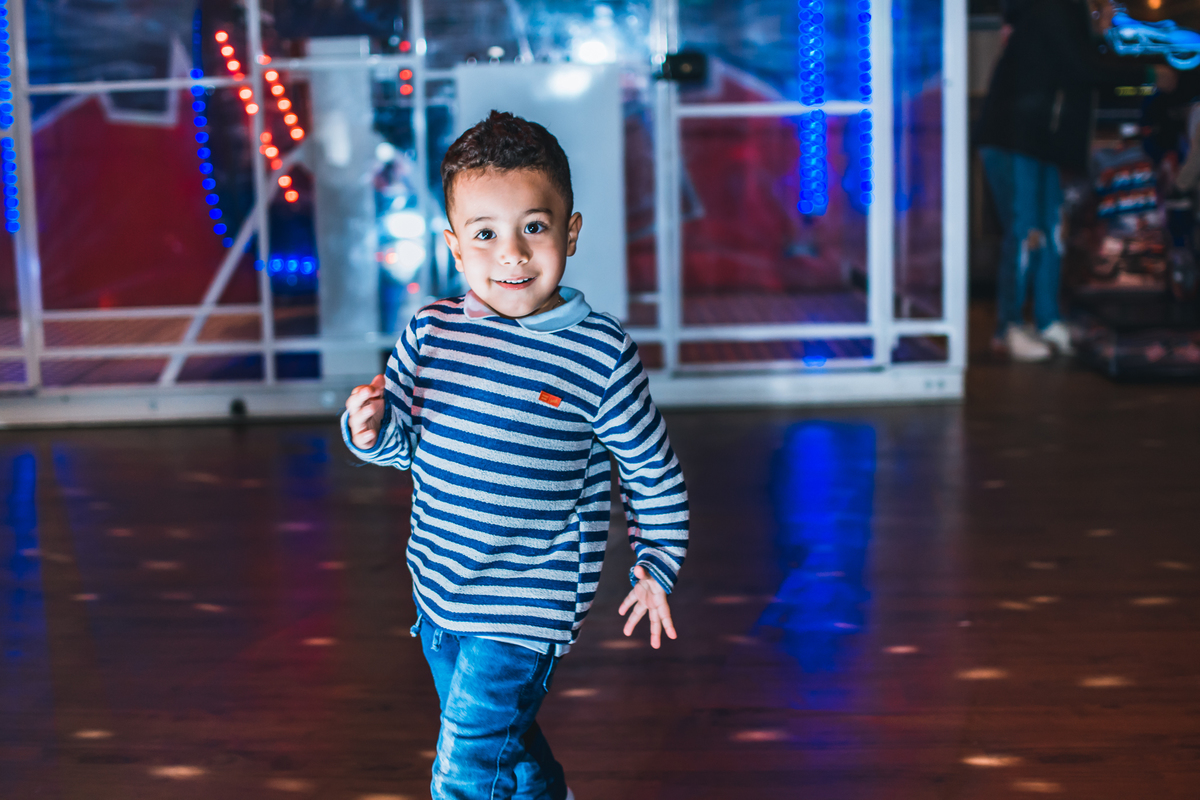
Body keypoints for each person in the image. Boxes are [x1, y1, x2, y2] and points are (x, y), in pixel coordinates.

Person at [342, 110, 689, 800]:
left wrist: (657, 561)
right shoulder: (431, 333)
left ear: (570, 232)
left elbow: (650, 468)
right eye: (485, 234)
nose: (512, 254)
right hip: (439, 584)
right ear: (453, 246)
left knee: (465, 767)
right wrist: (372, 428)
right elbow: (406, 446)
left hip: (528, 602)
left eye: (533, 227)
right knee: (504, 740)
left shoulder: (598, 353)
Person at [977, 0, 1168, 360]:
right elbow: (1082, 68)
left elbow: (1077, 67)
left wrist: (1099, 37)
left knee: (1050, 233)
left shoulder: (1063, 14)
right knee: (1027, 232)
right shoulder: (1056, 9)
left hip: (1039, 139)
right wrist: (1146, 74)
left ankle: (1046, 320)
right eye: (1104, 8)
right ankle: (1009, 327)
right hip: (1015, 136)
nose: (1109, 15)